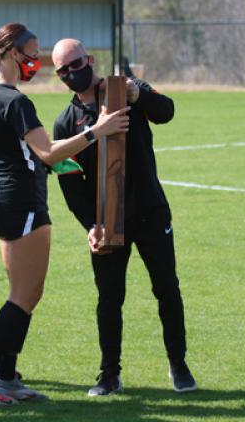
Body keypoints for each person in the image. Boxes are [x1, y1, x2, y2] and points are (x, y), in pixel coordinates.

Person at [0, 23, 129, 406]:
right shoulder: (15, 101)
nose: (35, 61)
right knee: (25, 294)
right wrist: (98, 131)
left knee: (23, 293)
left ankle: (5, 375)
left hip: (3, 198)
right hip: (22, 201)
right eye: (31, 54)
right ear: (8, 52)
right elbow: (49, 153)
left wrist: (7, 182)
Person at [52, 38, 197, 396]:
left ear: (90, 59)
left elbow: (167, 110)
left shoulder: (125, 91)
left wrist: (140, 95)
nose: (72, 73)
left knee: (167, 288)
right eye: (63, 70)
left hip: (150, 211)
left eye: (76, 63)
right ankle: (109, 374)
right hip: (106, 222)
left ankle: (178, 365)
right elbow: (71, 186)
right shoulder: (65, 123)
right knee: (109, 297)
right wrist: (91, 225)